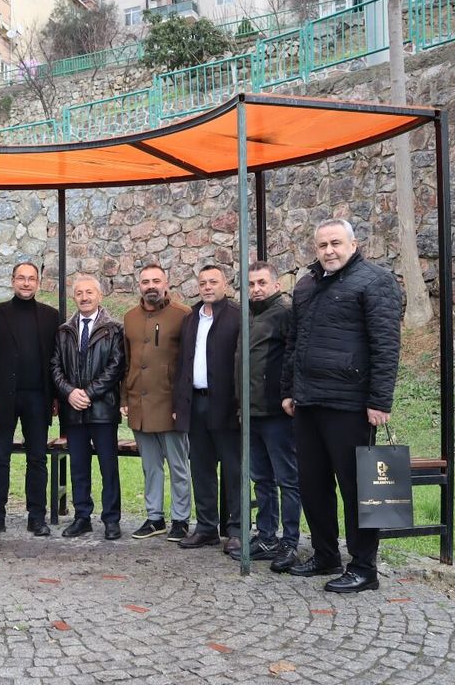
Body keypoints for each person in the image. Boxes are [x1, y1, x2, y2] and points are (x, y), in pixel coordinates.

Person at [280, 219, 403, 593]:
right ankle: (325, 555)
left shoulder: (376, 281)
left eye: (335, 243)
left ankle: (364, 567)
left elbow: (386, 345)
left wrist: (379, 400)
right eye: (322, 245)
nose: (329, 250)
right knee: (313, 484)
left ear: (353, 244)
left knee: (357, 488)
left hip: (350, 403)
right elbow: (294, 342)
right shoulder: (306, 286)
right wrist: (289, 390)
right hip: (308, 401)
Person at [0, 262, 62, 537]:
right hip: (2, 398)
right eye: (21, 278)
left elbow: (56, 360)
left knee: (38, 459)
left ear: (38, 283)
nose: (26, 283)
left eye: (31, 279)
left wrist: (56, 397)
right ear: (13, 280)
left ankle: (37, 517)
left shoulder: (51, 316)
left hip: (38, 397)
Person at [235, 261, 301, 573]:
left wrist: (289, 395)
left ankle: (290, 540)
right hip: (251, 412)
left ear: (276, 285)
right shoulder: (247, 314)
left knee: (287, 480)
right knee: (261, 479)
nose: (256, 289)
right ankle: (266, 536)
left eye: (262, 283)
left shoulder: (284, 313)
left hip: (276, 411)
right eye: (251, 284)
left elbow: (293, 356)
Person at [173, 264, 242, 554]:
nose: (208, 287)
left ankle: (237, 529)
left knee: (234, 469)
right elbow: (182, 363)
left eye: (213, 282)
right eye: (203, 283)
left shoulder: (237, 316)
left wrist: (240, 404)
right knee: (201, 468)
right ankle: (206, 527)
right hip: (195, 402)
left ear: (225, 284)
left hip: (226, 404)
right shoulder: (191, 318)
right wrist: (180, 404)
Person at [121, 264, 193, 542]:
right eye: (145, 281)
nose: (151, 286)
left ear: (166, 283)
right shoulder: (130, 317)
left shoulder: (183, 315)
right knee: (150, 466)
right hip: (139, 403)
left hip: (170, 404)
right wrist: (125, 397)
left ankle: (180, 519)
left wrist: (182, 404)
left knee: (178, 466)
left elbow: (188, 363)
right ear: (138, 285)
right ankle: (154, 518)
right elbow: (127, 362)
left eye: (156, 281)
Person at [52, 275, 126, 540]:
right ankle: (82, 516)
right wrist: (70, 392)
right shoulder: (64, 331)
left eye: (89, 292)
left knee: (108, 467)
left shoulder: (114, 329)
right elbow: (55, 366)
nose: (84, 297)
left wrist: (89, 393)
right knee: (79, 467)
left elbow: (116, 367)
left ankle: (111, 519)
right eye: (79, 293)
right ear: (74, 297)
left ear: (99, 296)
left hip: (103, 410)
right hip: (73, 411)